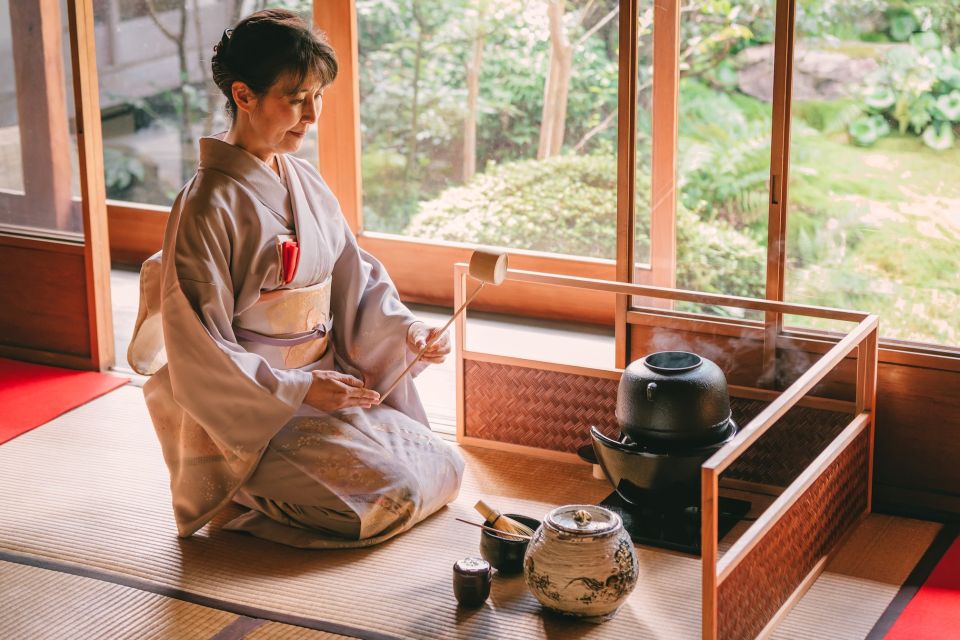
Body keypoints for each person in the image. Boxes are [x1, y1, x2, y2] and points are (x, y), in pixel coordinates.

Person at [127, 9, 464, 549]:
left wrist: (406, 336)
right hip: (257, 415)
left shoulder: (302, 178)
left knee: (445, 464)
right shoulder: (208, 204)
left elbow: (356, 278)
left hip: (328, 388)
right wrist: (300, 387)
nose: (312, 114)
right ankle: (240, 494)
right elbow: (200, 346)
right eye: (296, 97)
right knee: (392, 494)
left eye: (318, 95)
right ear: (243, 95)